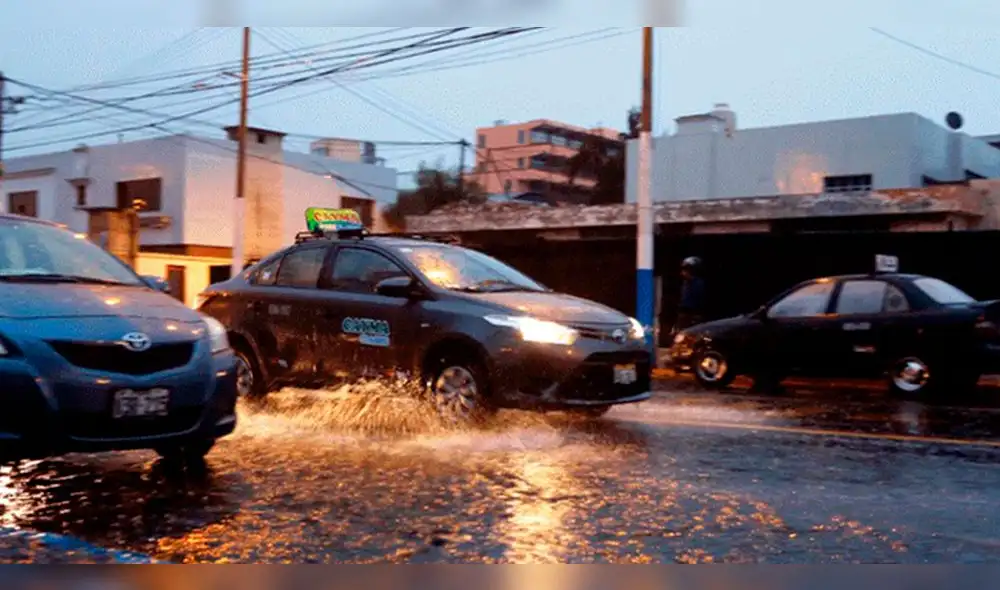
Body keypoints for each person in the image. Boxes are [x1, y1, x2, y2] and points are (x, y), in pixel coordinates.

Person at [674, 256, 705, 332]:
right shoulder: (685, 284)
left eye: (686, 270)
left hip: (693, 315)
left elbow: (699, 301)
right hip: (684, 314)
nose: (683, 273)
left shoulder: (698, 284)